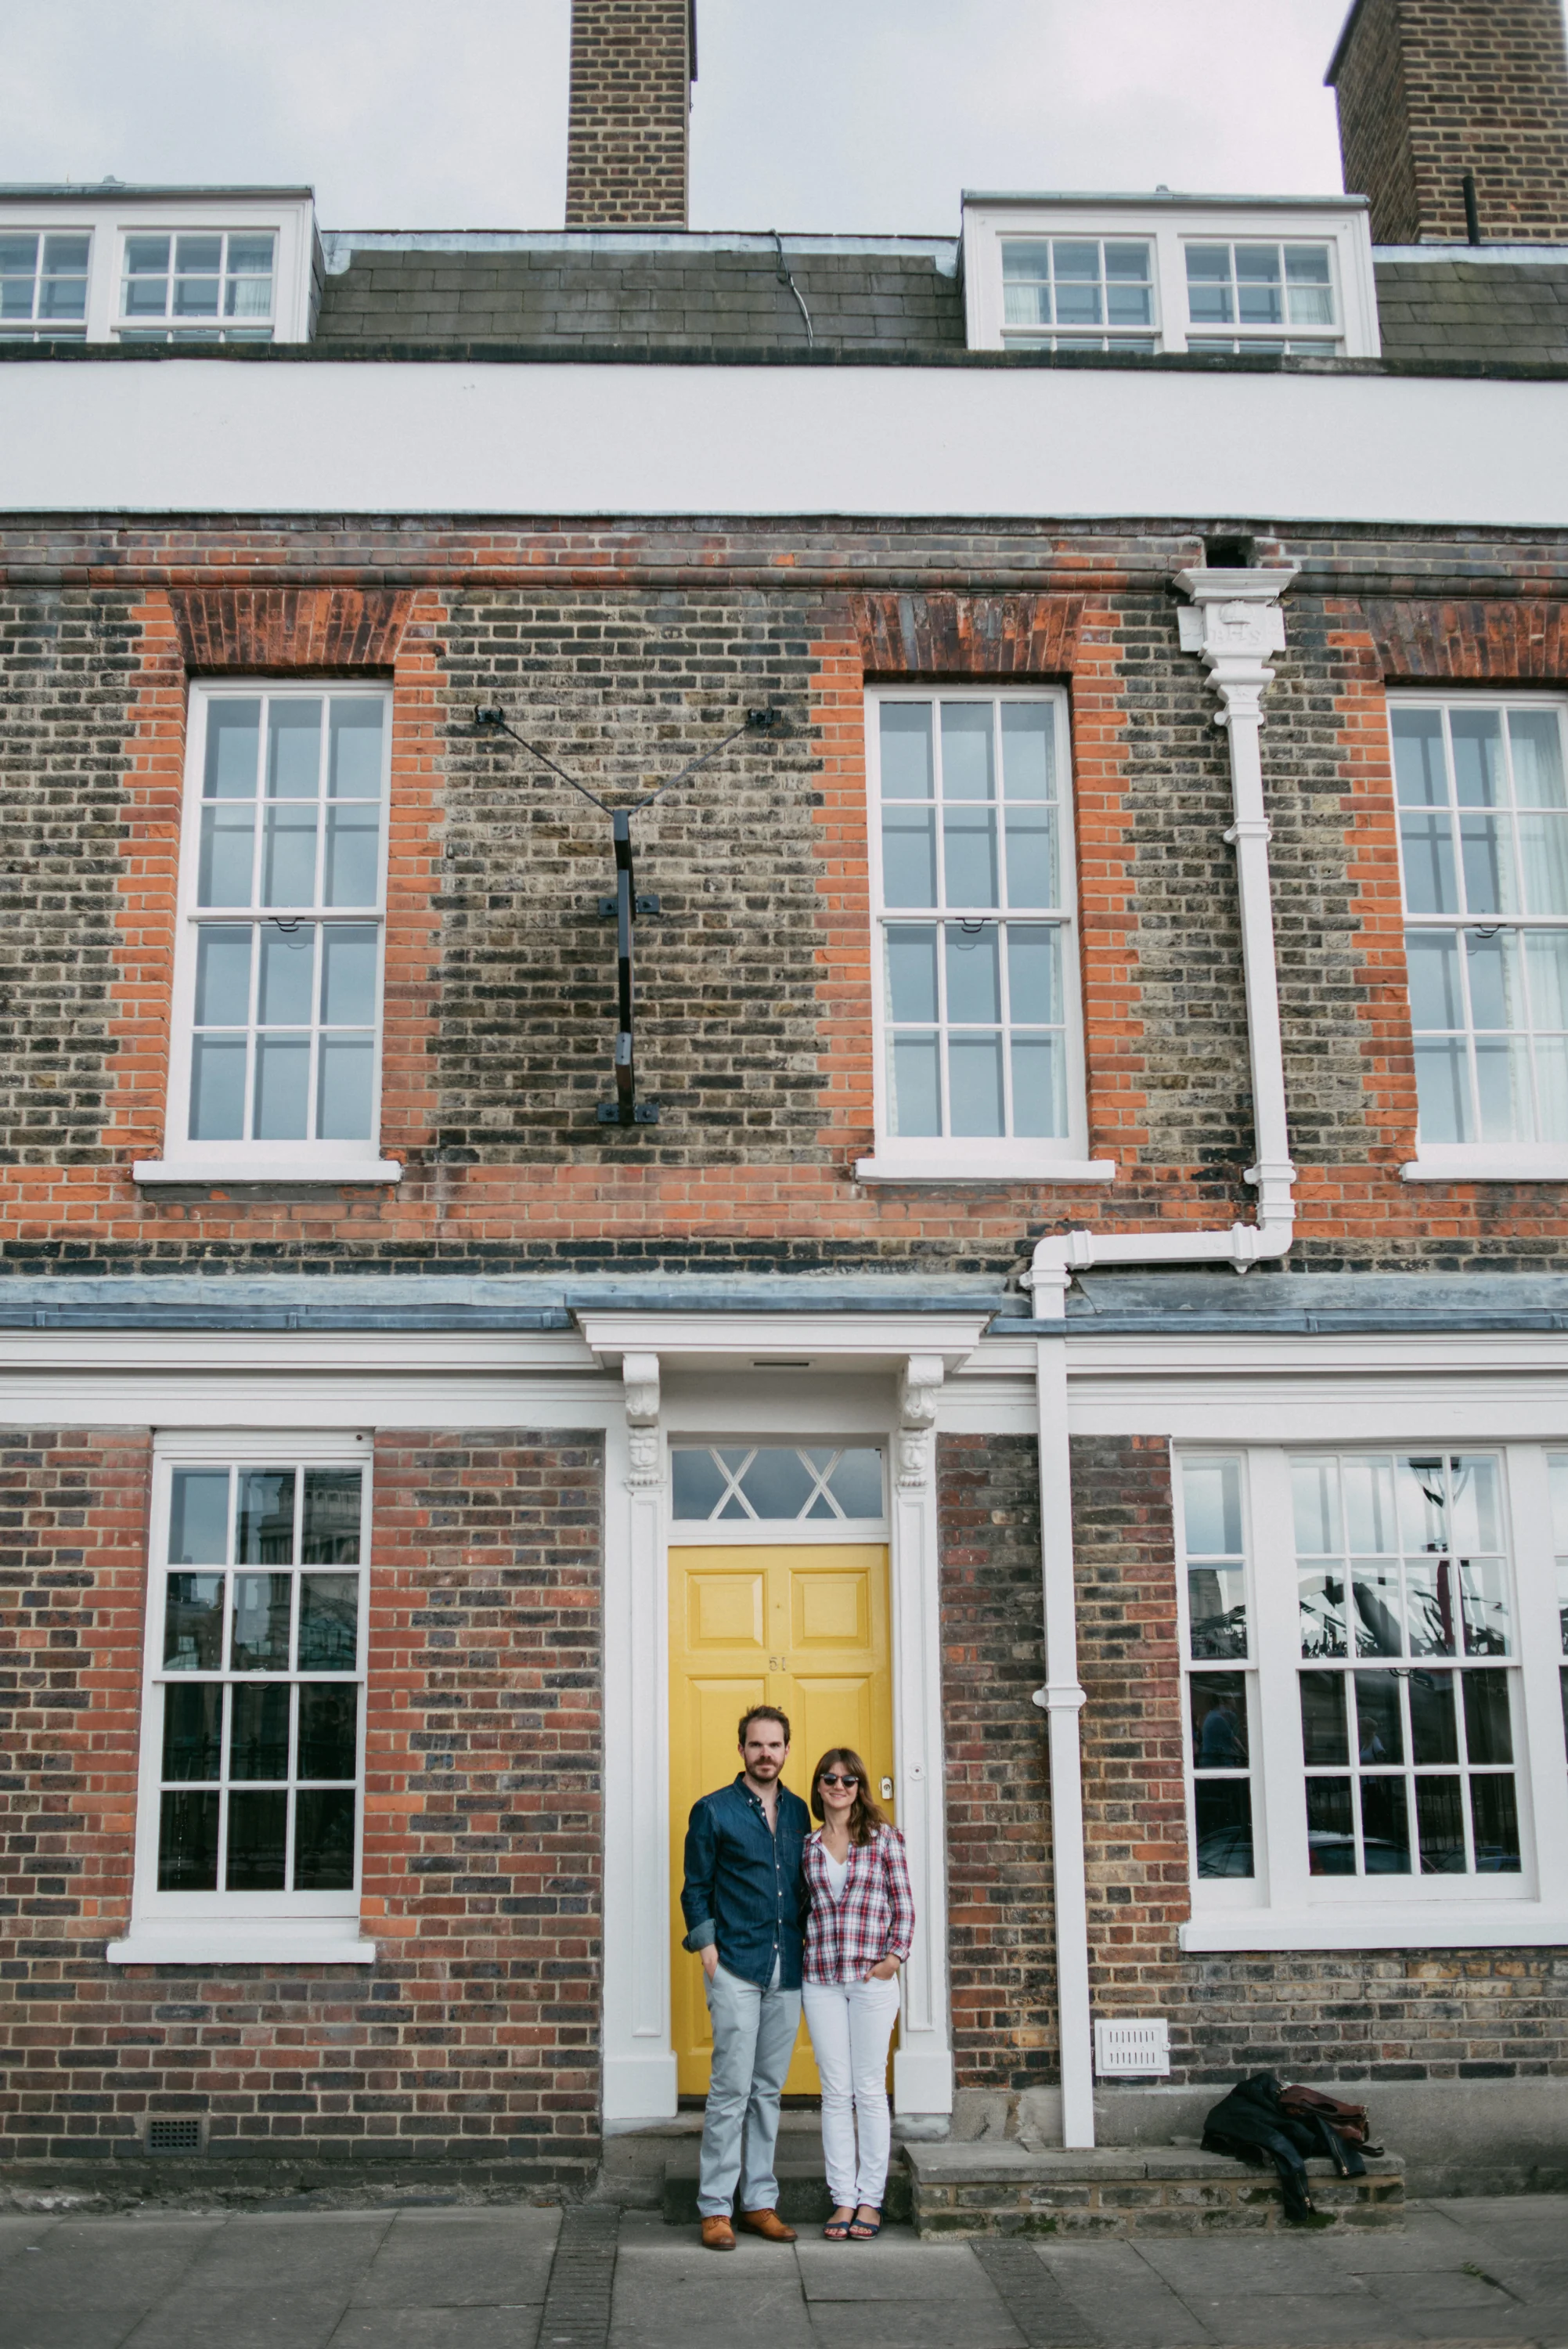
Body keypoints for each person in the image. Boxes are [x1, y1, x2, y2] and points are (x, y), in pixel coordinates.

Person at [679, 1704, 812, 2252]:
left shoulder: (803, 1812)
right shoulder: (713, 1811)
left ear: (786, 1750)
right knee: (730, 2089)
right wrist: (708, 1950)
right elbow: (696, 1886)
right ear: (741, 1749)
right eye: (756, 1745)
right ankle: (715, 2207)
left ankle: (758, 2202)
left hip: (788, 1969)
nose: (766, 1755)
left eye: (774, 1745)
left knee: (767, 2092)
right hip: (735, 1964)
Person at [800, 1745, 914, 2243]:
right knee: (833, 2091)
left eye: (848, 1780)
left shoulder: (884, 1839)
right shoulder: (806, 1846)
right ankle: (842, 2197)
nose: (838, 1786)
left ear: (859, 1787)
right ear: (819, 1786)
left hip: (871, 1981)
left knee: (868, 2090)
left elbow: (904, 1905)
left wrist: (892, 1960)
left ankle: (871, 2199)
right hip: (821, 1978)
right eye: (829, 1778)